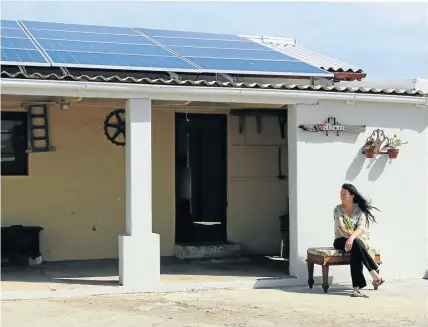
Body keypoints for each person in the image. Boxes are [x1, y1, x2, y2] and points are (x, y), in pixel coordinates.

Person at [333, 183, 385, 297]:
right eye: (340, 194)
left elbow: (361, 228)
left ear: (352, 195)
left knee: (355, 250)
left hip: (355, 240)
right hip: (341, 241)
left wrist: (352, 238)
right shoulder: (338, 210)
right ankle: (373, 271)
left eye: (344, 194)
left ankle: (356, 289)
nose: (341, 196)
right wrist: (353, 238)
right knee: (357, 244)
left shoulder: (359, 210)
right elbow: (342, 228)